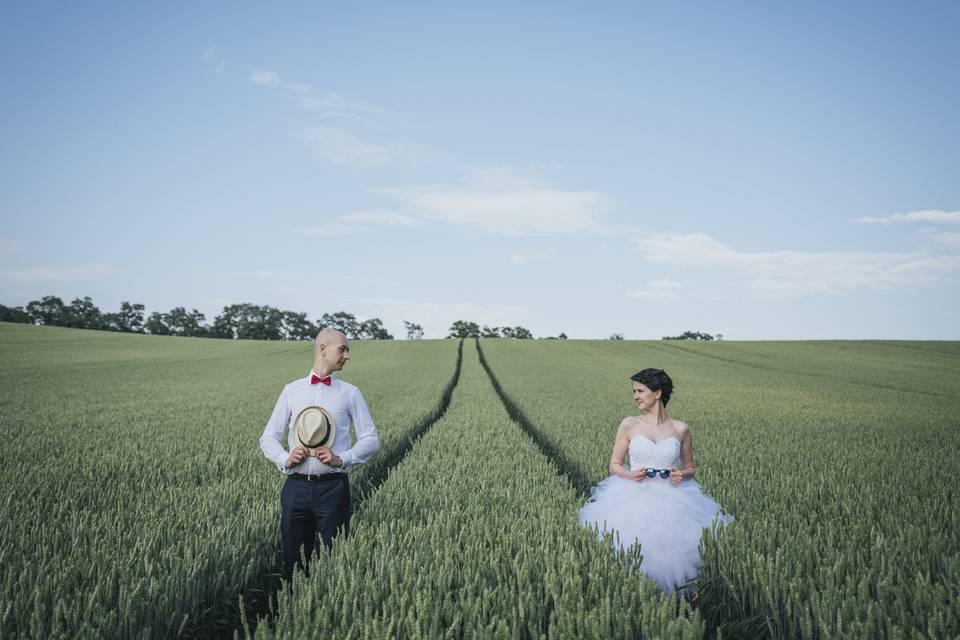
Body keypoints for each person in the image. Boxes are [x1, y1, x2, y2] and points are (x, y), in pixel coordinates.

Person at [579, 368, 733, 596]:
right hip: (632, 496)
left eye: (640, 391)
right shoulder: (629, 424)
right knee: (631, 550)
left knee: (675, 554)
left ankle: (673, 602)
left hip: (674, 498)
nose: (635, 396)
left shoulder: (681, 429)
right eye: (634, 391)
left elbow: (690, 467)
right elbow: (615, 465)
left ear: (658, 393)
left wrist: (684, 475)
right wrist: (630, 475)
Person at [259, 328, 380, 580]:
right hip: (295, 488)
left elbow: (371, 439)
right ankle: (293, 609)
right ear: (322, 349)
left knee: (336, 562)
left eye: (348, 350)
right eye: (343, 349)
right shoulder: (292, 391)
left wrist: (341, 459)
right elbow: (268, 437)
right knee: (294, 563)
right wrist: (285, 458)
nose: (347, 356)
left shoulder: (350, 393)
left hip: (333, 488)